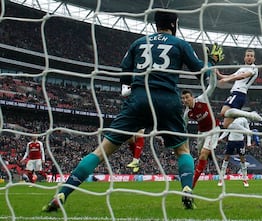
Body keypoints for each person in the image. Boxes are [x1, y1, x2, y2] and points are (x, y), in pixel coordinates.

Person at [42, 10, 224, 212]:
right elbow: (200, 71)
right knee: (183, 150)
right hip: (167, 101)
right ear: (174, 25)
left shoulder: (138, 43)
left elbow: (125, 74)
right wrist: (213, 61)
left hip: (139, 98)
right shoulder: (180, 44)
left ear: (156, 25)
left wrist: (132, 87)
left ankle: (63, 192)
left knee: (101, 151)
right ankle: (187, 188)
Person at [181, 71, 219, 189]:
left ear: (192, 97)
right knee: (200, 156)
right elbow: (183, 127)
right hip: (201, 133)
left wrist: (212, 72)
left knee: (203, 155)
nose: (185, 100)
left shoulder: (202, 99)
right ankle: (211, 154)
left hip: (213, 129)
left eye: (187, 97)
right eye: (183, 99)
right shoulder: (187, 113)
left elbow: (212, 86)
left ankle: (192, 185)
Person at [216, 49, 262, 130]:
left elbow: (243, 76)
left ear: (254, 59)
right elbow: (231, 76)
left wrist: (226, 80)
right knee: (226, 125)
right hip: (236, 93)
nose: (249, 57)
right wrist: (219, 74)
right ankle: (248, 132)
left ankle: (251, 115)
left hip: (238, 93)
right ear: (244, 58)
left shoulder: (253, 68)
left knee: (223, 113)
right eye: (248, 55)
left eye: (251, 56)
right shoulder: (242, 68)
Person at [217, 117, 252, 188]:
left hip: (240, 141)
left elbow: (248, 131)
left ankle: (245, 179)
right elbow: (227, 131)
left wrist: (249, 142)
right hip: (231, 141)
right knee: (226, 158)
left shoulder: (243, 120)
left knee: (242, 159)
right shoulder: (231, 119)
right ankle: (221, 179)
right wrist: (220, 138)